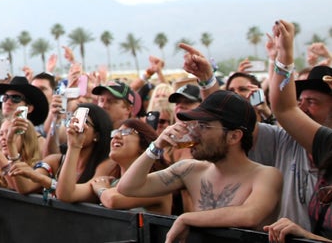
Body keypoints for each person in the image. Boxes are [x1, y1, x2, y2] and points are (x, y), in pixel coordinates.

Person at [117, 90, 282, 243]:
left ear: (233, 136)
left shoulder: (266, 175)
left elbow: (249, 215)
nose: (194, 133)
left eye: (203, 126)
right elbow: (128, 187)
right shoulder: (190, 170)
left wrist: (186, 218)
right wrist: (156, 145)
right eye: (194, 125)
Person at [262, 19, 332, 242]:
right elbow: (284, 108)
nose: (302, 107)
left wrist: (307, 237)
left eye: (312, 101)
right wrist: (283, 54)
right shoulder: (325, 144)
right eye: (300, 100)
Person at [64, 119, 172, 215]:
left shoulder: (159, 186)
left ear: (144, 147)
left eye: (126, 132)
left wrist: (101, 189)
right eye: (116, 132)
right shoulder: (110, 183)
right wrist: (74, 146)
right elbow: (67, 194)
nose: (116, 136)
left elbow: (112, 200)